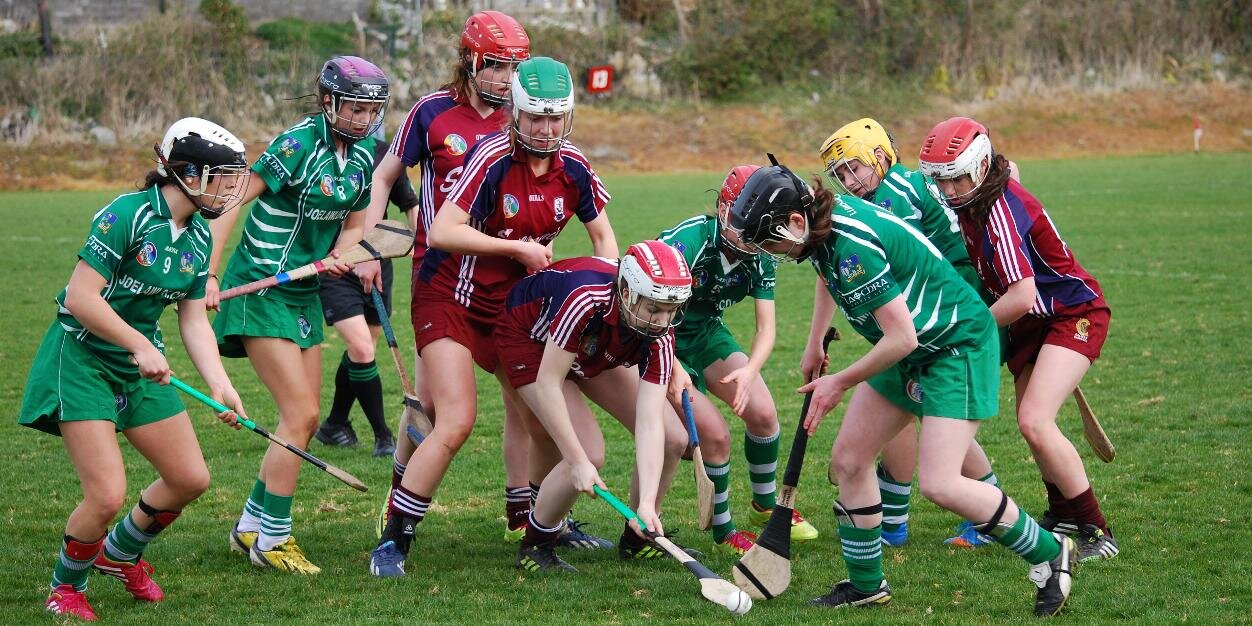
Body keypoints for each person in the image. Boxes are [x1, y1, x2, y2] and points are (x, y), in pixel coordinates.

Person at [723, 162, 1078, 616]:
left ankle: (1051, 554)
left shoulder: (851, 244)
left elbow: (901, 337)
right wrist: (815, 340)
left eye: (767, 241)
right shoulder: (818, 227)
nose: (767, 251)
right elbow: (827, 275)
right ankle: (867, 585)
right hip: (914, 347)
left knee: (941, 482)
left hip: (955, 346)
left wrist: (840, 381)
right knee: (850, 460)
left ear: (794, 221)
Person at [369, 56, 619, 577]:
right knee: (455, 419)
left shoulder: (574, 166)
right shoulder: (491, 156)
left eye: (556, 118)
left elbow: (604, 240)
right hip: (449, 295)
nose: (546, 129)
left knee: (548, 428)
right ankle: (395, 539)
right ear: (517, 115)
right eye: (536, 118)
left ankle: (532, 525)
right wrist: (519, 250)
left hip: (514, 309)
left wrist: (604, 290)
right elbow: (442, 232)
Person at [20, 117, 250, 620]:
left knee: (189, 477)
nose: (231, 189)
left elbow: (192, 321)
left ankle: (119, 554)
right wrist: (136, 344)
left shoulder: (198, 239)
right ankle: (65, 588)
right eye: (222, 177)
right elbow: (81, 298)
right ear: (187, 173)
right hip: (81, 357)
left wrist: (222, 385)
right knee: (105, 495)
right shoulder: (127, 214)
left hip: (139, 364)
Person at [356, 10, 556, 545]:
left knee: (523, 401)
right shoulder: (432, 112)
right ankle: (398, 507)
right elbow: (385, 175)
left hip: (509, 281)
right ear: (469, 61)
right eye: (494, 66)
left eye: (513, 67)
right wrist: (371, 243)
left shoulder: (525, 118)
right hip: (442, 272)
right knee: (437, 407)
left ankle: (522, 515)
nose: (504, 78)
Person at [206, 55, 391, 574]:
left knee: (303, 420)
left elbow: (355, 224)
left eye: (370, 110)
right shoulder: (297, 145)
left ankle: (250, 527)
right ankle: (274, 540)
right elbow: (231, 202)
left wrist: (343, 253)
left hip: (305, 293)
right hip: (261, 288)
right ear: (329, 101)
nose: (362, 118)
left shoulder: (363, 161)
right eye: (353, 107)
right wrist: (212, 275)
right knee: (302, 415)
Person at [918, 116, 1118, 562]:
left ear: (982, 165)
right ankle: (1063, 513)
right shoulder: (979, 196)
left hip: (1072, 314)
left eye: (955, 178)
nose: (948, 191)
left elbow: (1023, 295)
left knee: (1035, 421)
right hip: (1037, 323)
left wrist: (972, 328)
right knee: (1031, 425)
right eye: (940, 181)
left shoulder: (998, 210)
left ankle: (1097, 531)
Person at [819, 118, 1003, 548]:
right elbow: (830, 265)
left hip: (947, 313)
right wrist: (817, 335)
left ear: (881, 157)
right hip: (919, 315)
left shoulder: (895, 194)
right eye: (840, 174)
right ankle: (897, 519)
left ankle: (977, 513)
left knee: (924, 404)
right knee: (911, 402)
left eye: (855, 168)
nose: (849, 181)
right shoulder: (873, 197)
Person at [497, 242, 694, 571]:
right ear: (628, 293)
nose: (662, 320)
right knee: (587, 453)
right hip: (529, 339)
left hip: (590, 342)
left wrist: (646, 502)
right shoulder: (586, 298)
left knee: (674, 437)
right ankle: (535, 545)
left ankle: (638, 535)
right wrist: (575, 461)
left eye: (670, 310)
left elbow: (649, 421)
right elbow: (548, 383)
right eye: (654, 309)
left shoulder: (659, 331)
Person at [654, 165, 818, 556]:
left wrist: (751, 370)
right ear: (724, 207)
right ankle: (724, 530)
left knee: (763, 413)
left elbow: (766, 328)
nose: (747, 234)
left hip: (706, 333)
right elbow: (649, 309)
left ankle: (765, 506)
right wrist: (674, 367)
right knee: (715, 436)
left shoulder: (762, 251)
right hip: (660, 336)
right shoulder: (689, 241)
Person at [313, 132, 419, 458]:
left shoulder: (385, 154)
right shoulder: (321, 154)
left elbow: (409, 205)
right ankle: (384, 436)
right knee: (361, 348)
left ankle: (334, 424)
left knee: (365, 350)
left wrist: (425, 252)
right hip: (334, 265)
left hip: (377, 263)